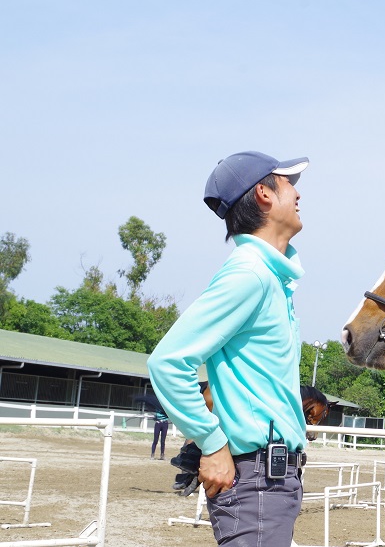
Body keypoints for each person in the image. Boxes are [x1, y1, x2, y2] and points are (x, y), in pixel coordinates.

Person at [148, 151, 310, 546]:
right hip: (256, 478)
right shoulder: (249, 274)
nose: (297, 193)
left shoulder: (269, 277)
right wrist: (212, 441)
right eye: (288, 182)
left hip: (270, 478)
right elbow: (168, 362)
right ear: (264, 195)